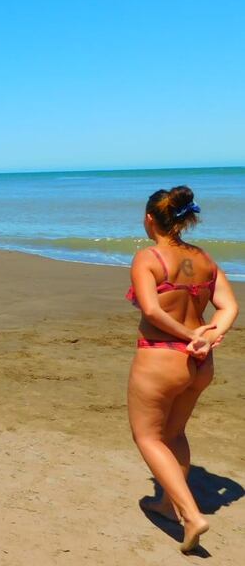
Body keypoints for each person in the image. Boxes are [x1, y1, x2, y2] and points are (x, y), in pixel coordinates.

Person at [126, 186, 238, 554]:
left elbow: (152, 310)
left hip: (161, 357)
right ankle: (167, 503)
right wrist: (209, 336)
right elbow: (229, 307)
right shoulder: (203, 258)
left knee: (148, 437)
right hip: (199, 363)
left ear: (149, 219)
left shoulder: (149, 257)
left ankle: (190, 515)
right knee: (174, 433)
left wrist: (192, 335)